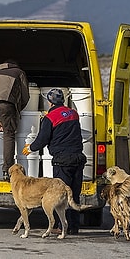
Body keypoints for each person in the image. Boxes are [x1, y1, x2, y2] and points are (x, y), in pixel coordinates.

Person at [22, 88, 86, 235]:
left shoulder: (49, 119)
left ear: (49, 102)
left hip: (62, 160)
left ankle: (60, 226)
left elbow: (42, 139)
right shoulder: (73, 113)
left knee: (61, 194)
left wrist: (31, 148)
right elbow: (63, 122)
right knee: (73, 194)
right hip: (78, 157)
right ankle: (74, 227)